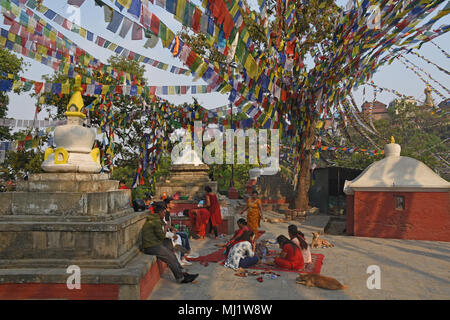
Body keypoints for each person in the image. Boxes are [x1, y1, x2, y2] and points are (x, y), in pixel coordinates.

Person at [141, 204, 198, 283]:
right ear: (160, 212)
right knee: (170, 256)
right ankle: (180, 278)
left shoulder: (156, 218)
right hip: (151, 246)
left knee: (171, 254)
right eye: (164, 213)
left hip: (154, 243)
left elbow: (164, 227)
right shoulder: (156, 221)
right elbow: (161, 236)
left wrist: (168, 228)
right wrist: (166, 228)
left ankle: (182, 273)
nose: (164, 214)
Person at [162, 198, 193, 266]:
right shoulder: (165, 213)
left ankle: (184, 255)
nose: (173, 204)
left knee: (184, 235)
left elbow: (168, 224)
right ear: (167, 205)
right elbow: (166, 226)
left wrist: (173, 228)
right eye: (172, 203)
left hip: (170, 231)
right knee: (183, 238)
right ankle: (185, 254)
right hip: (167, 234)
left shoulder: (168, 212)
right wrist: (173, 231)